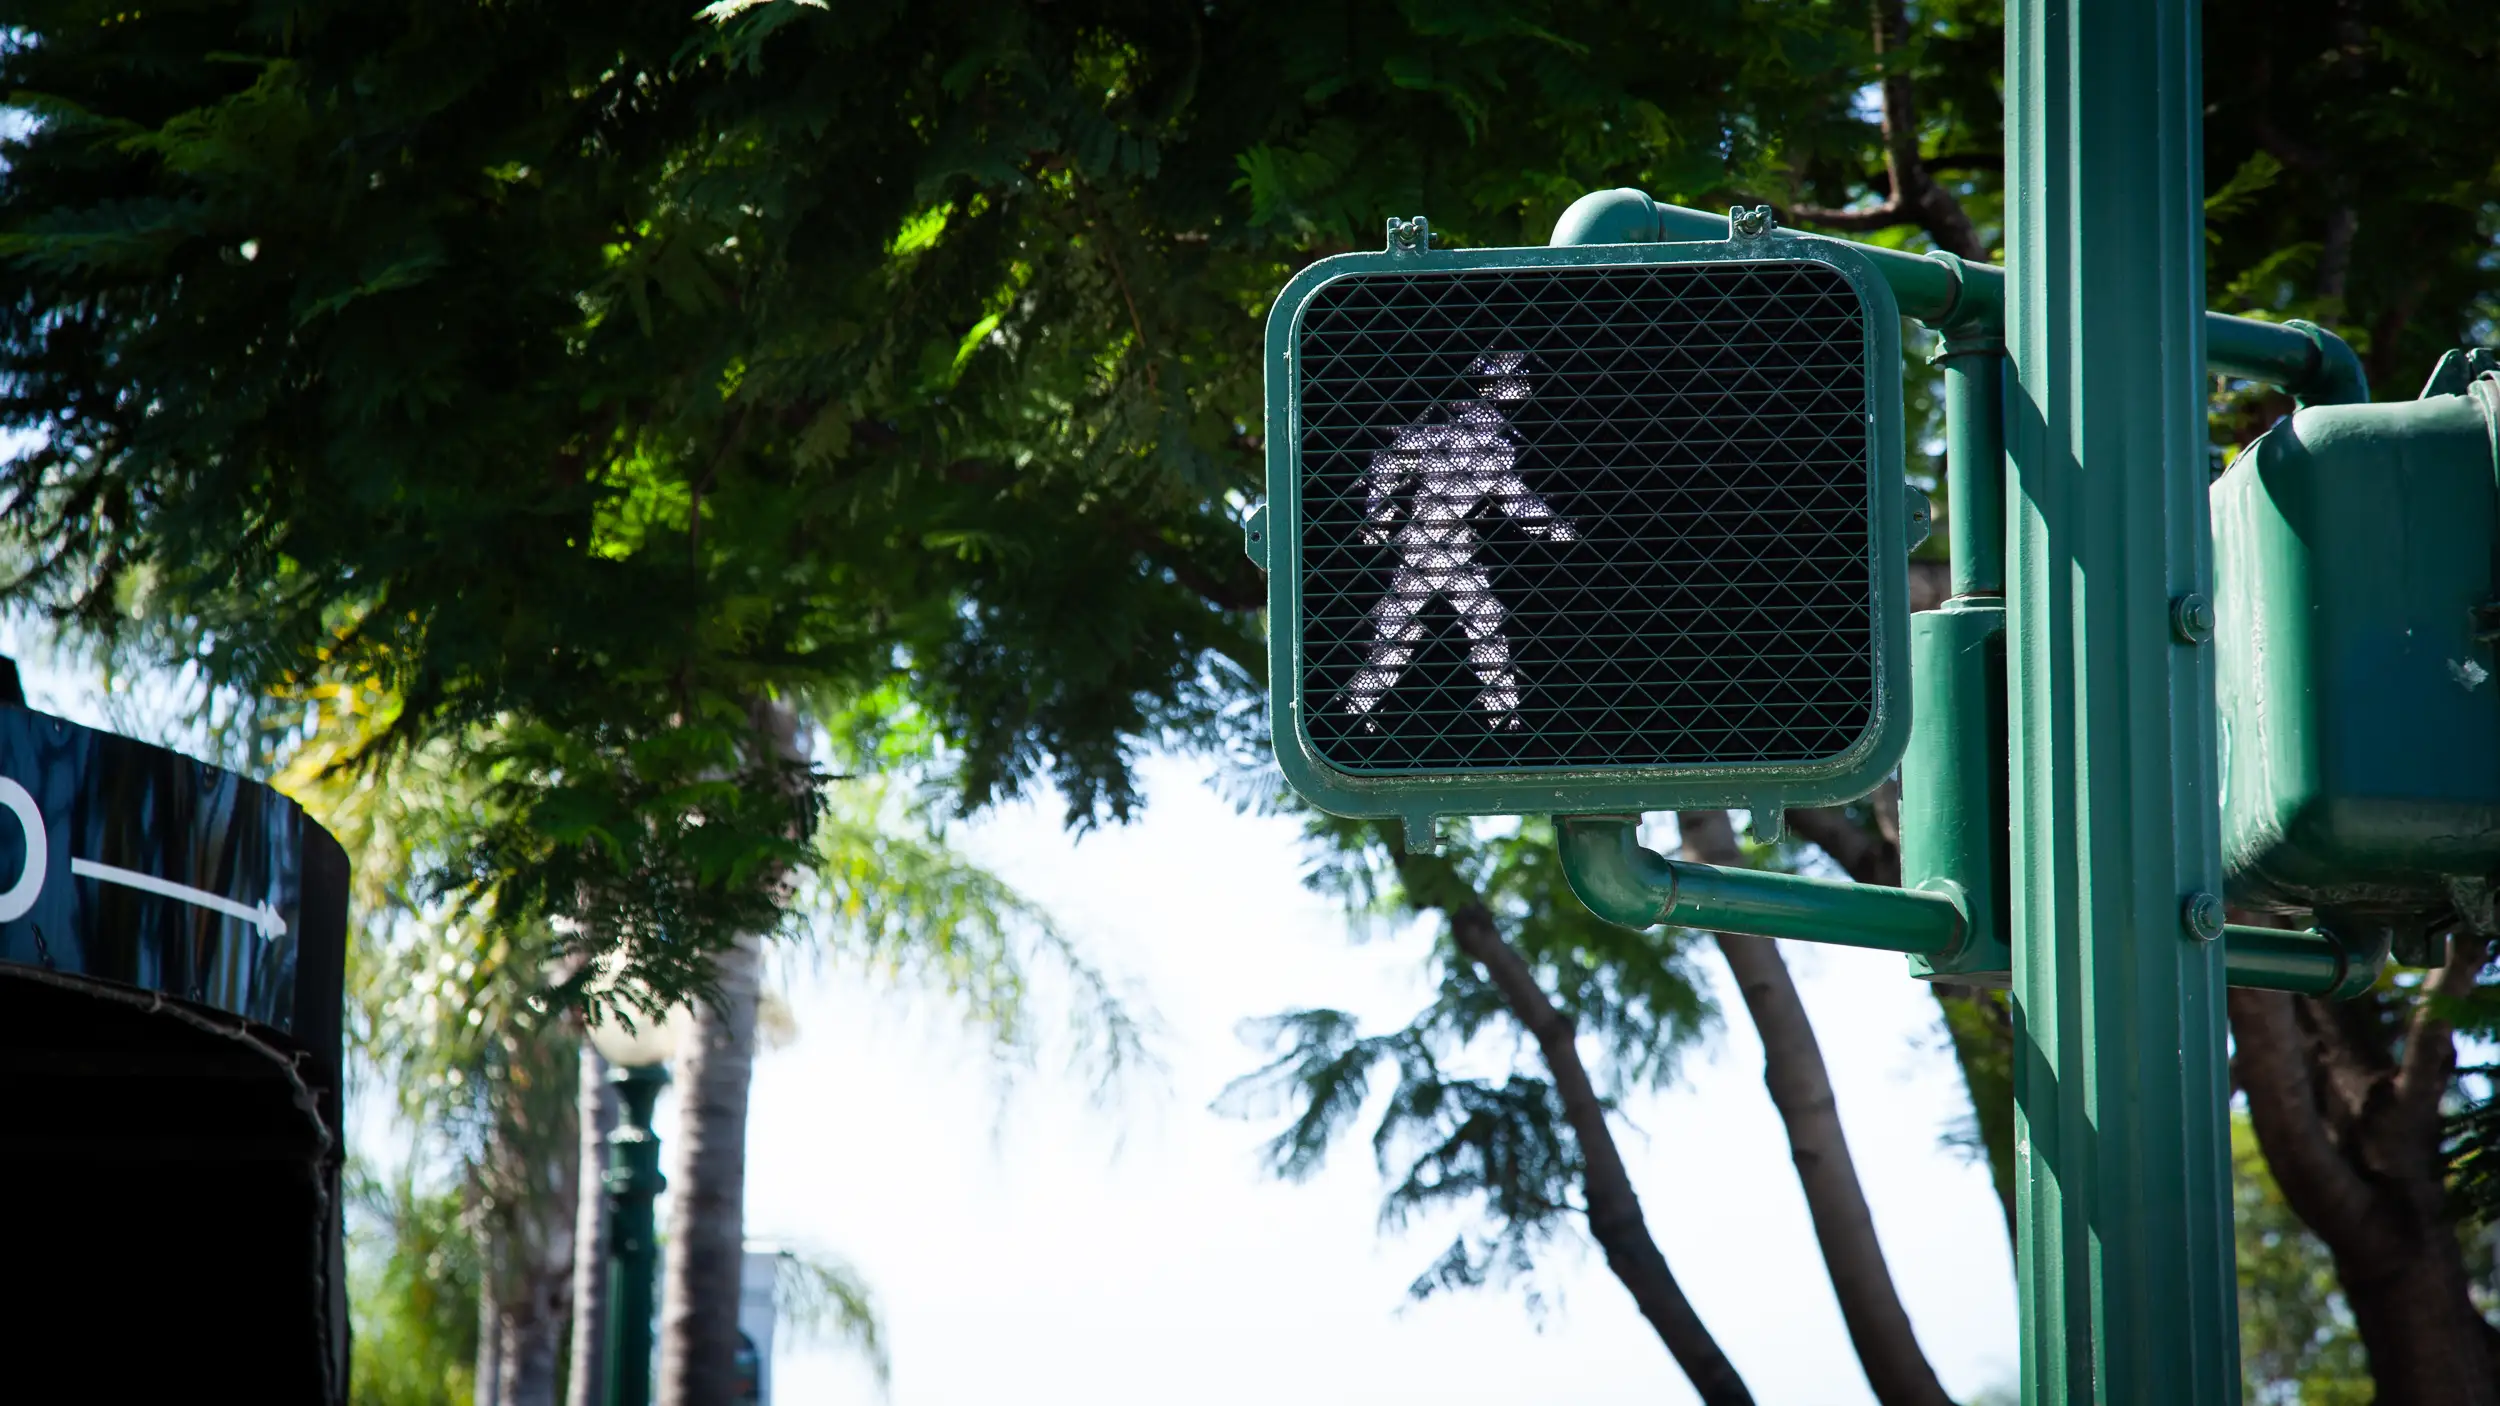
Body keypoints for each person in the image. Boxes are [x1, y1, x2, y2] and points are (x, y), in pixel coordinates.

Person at [1342, 352, 1576, 728]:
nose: (1520, 387)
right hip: (1424, 545)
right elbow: (1392, 459)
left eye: (1521, 379)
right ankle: (1358, 708)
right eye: (1512, 379)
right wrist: (1377, 515)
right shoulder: (1450, 430)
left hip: (1455, 547)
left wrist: (1554, 529)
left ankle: (1505, 718)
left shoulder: (1493, 443)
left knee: (1469, 627)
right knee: (1402, 633)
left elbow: (1515, 497)